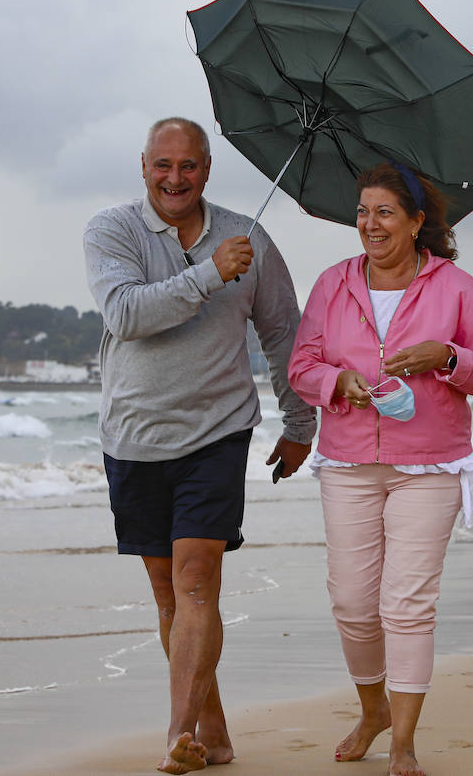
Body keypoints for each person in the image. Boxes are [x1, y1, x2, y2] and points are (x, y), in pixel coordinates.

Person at [83, 117, 317, 774]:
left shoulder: (251, 237)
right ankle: (212, 730)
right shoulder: (111, 231)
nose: (175, 178)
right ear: (143, 166)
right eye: (163, 164)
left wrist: (299, 424)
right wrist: (211, 273)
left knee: (195, 583)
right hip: (134, 436)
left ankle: (176, 735)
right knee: (168, 594)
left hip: (218, 431)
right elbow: (125, 314)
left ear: (207, 169)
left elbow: (284, 332)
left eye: (188, 165)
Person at [289, 163, 473, 776]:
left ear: (417, 223)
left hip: (431, 465)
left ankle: (404, 742)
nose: (370, 223)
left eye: (384, 212)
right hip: (348, 462)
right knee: (352, 603)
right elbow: (302, 366)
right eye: (363, 211)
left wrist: (448, 356)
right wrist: (339, 382)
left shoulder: (455, 286)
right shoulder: (333, 283)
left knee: (408, 604)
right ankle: (374, 711)